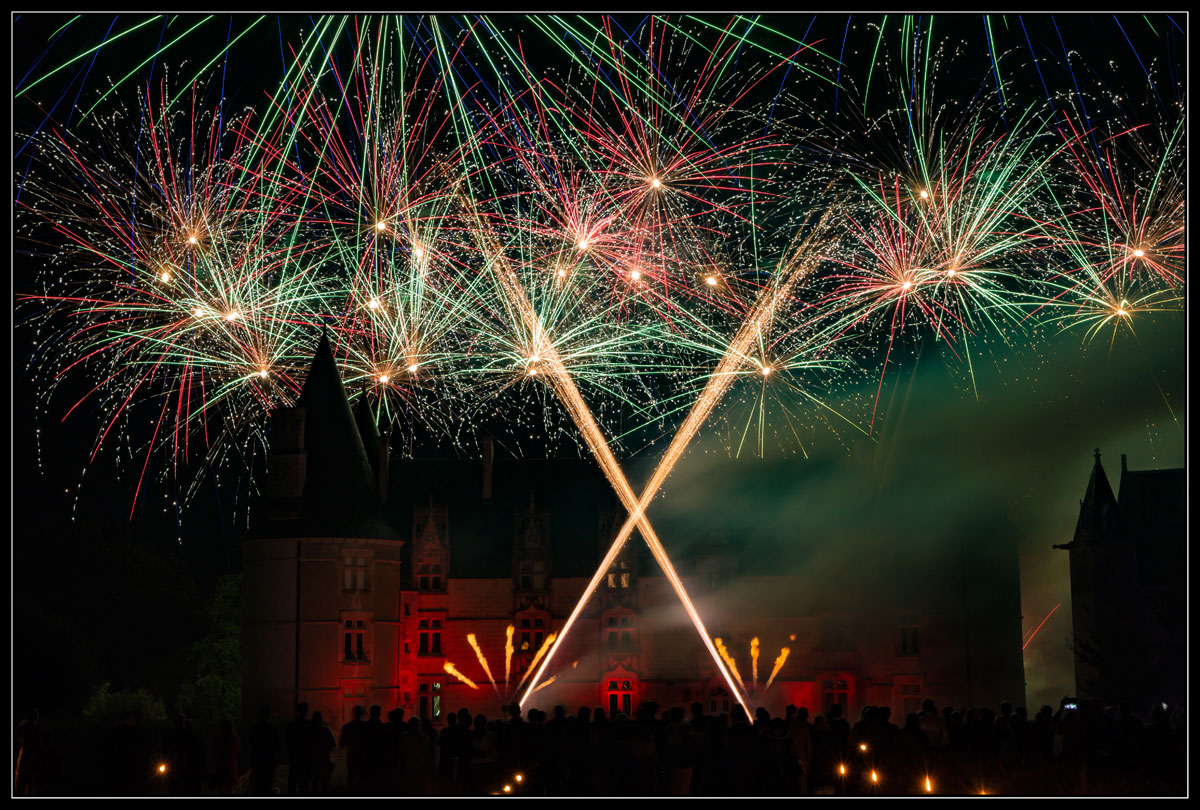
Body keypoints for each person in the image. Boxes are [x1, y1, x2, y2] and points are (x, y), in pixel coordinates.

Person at [248, 705, 281, 796]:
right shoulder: (272, 729)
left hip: (257, 760)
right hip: (269, 761)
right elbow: (277, 745)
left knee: (257, 785)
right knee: (267, 784)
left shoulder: (254, 729)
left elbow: (250, 745)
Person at [285, 702, 312, 795]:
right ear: (306, 711)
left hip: (294, 759)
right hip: (305, 760)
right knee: (304, 786)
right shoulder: (309, 726)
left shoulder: (291, 725)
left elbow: (287, 742)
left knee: (292, 785)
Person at [14, 707, 42, 796]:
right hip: (30, 754)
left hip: (25, 753)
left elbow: (17, 736)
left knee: (22, 777)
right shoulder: (34, 727)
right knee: (29, 778)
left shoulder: (24, 726)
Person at [309, 712, 336, 794]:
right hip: (325, 759)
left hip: (313, 760)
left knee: (314, 783)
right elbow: (332, 744)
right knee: (325, 783)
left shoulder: (310, 732)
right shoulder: (326, 730)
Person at [213, 718, 240, 795]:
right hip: (231, 764)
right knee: (229, 788)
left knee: (221, 788)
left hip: (221, 765)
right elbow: (237, 751)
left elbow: (215, 752)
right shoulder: (234, 738)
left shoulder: (219, 738)